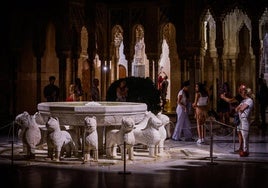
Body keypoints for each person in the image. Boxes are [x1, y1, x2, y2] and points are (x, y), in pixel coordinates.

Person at [221, 84, 246, 153]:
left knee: (241, 132)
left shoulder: (240, 96)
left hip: (241, 115)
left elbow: (230, 100)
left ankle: (243, 148)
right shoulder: (245, 97)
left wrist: (223, 98)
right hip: (241, 115)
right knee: (239, 132)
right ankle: (241, 147)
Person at [235, 87, 254, 157]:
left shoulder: (249, 100)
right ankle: (242, 149)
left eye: (242, 91)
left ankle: (246, 151)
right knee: (240, 133)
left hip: (245, 119)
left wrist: (240, 108)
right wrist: (240, 108)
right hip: (240, 119)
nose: (241, 93)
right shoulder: (243, 101)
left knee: (245, 135)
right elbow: (236, 109)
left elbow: (241, 109)